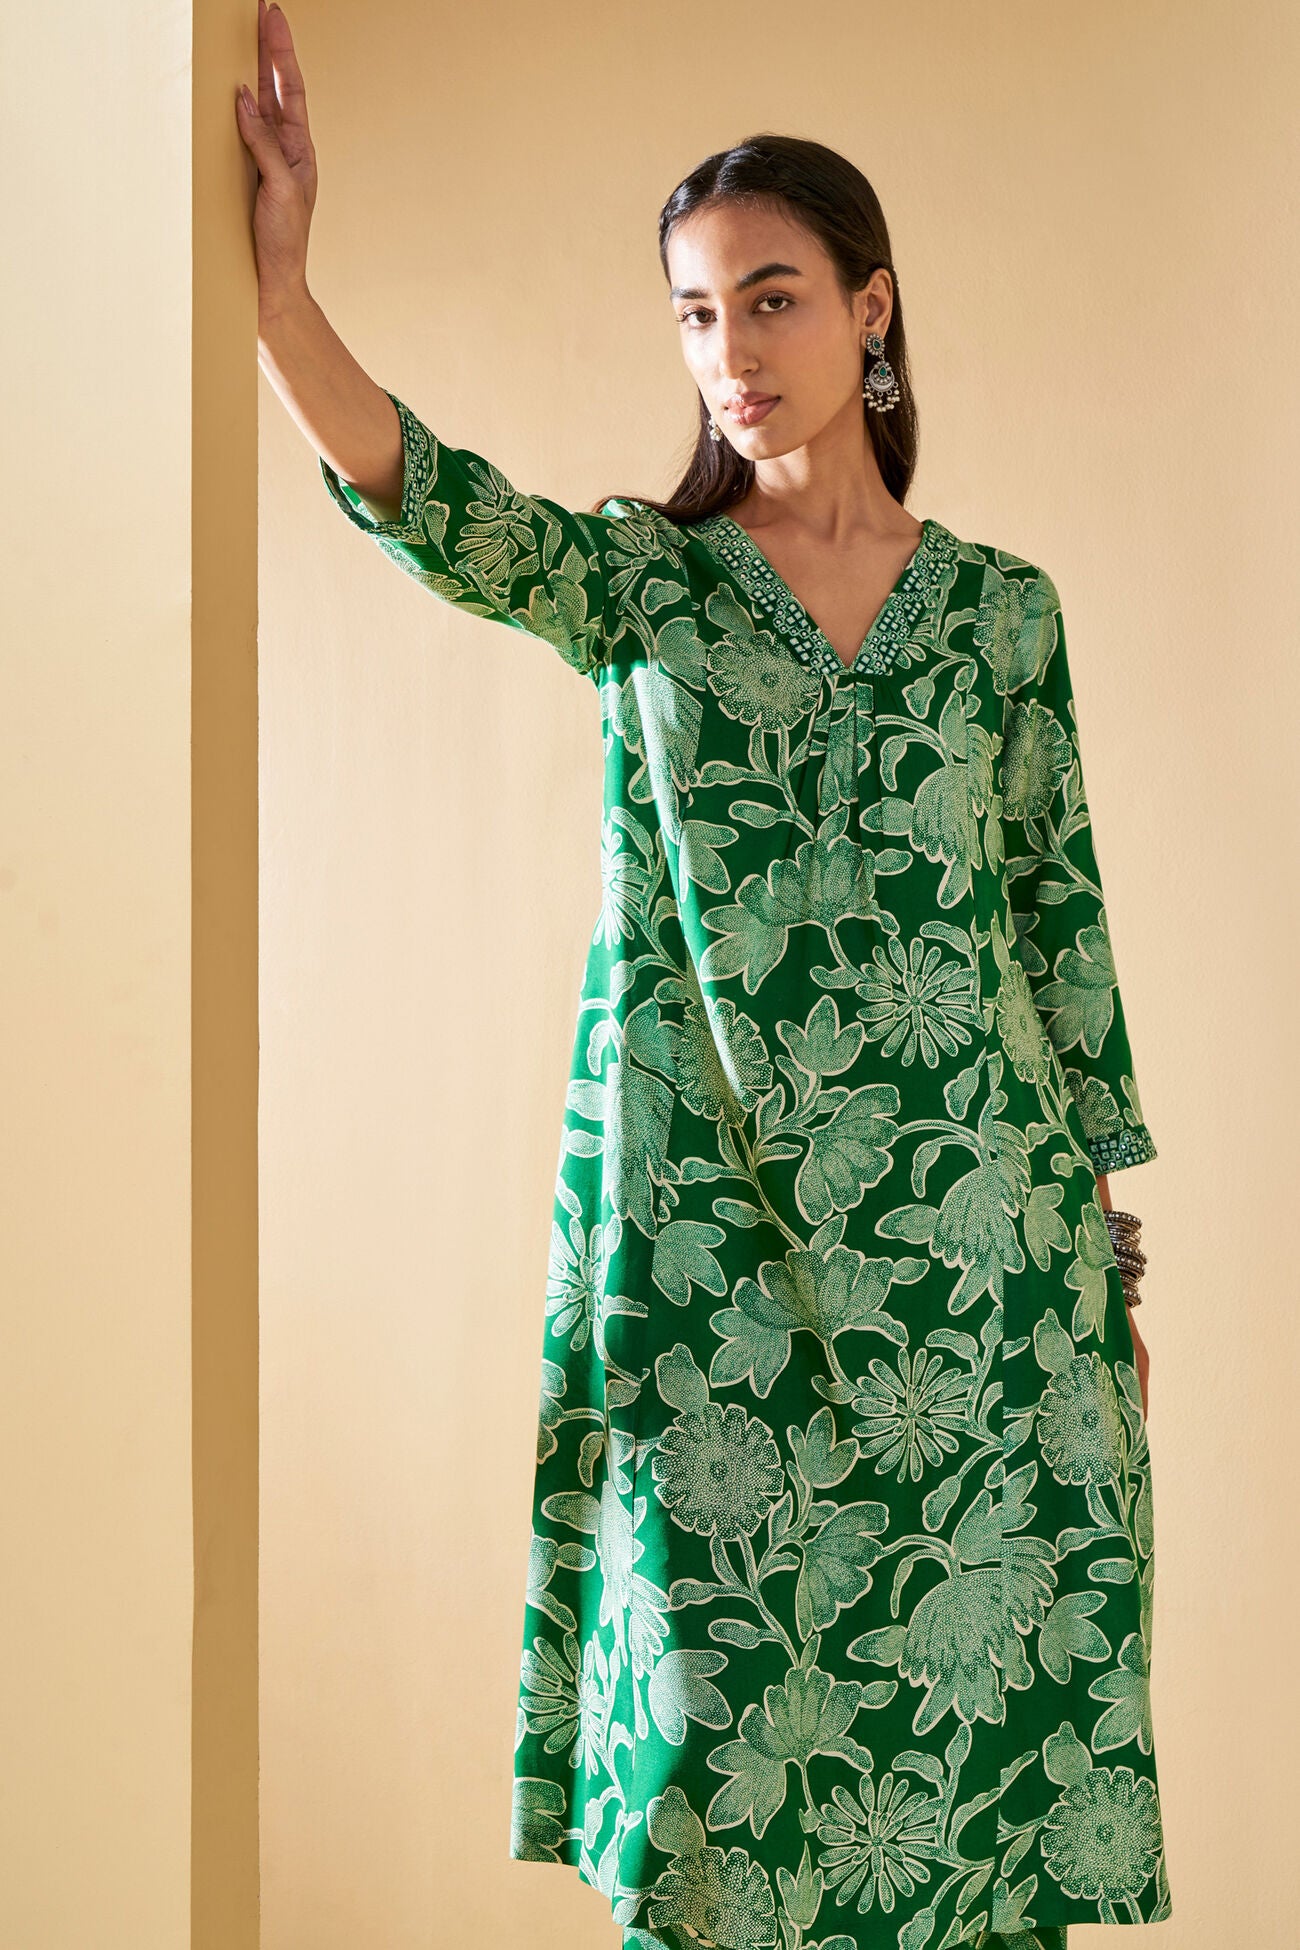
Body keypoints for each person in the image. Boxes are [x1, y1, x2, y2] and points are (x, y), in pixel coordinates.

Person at [239, 9, 1172, 1945]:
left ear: (869, 309)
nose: (731, 352)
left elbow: (1053, 923)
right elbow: (425, 495)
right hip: (710, 1258)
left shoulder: (999, 614)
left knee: (974, 1755)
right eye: (693, 313)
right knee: (718, 1771)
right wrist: (281, 289)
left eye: (770, 299)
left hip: (981, 1277)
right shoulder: (640, 586)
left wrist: (1107, 1258)